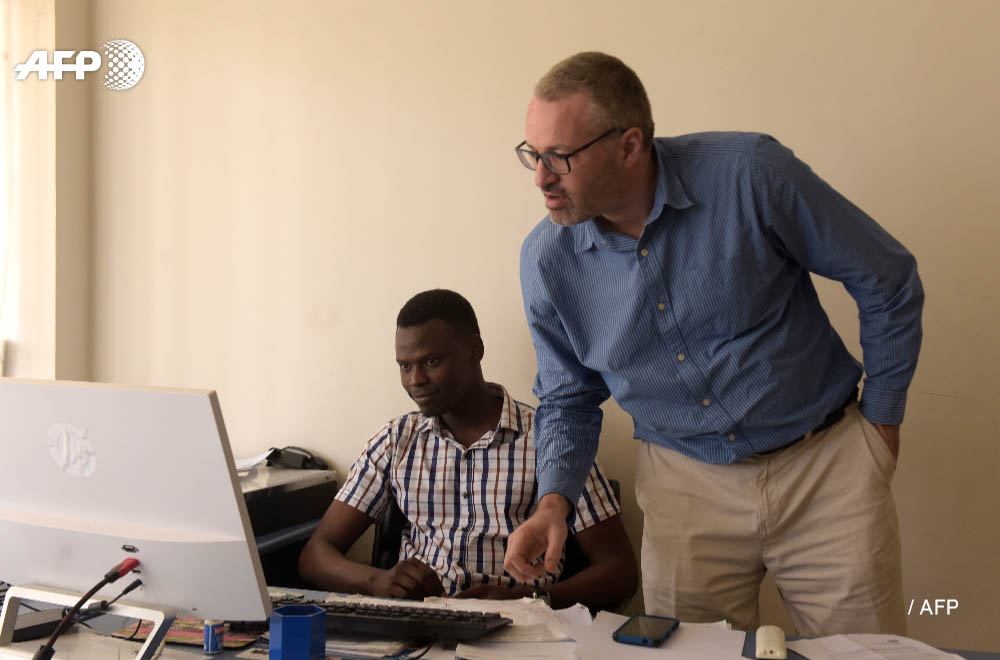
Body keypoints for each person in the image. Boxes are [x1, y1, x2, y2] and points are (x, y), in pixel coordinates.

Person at [505, 52, 923, 635]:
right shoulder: (546, 261)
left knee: (866, 653)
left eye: (559, 157)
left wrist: (882, 421)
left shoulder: (750, 175)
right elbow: (567, 398)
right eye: (533, 154)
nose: (541, 178)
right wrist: (555, 502)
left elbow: (886, 278)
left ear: (629, 145)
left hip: (825, 470)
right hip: (683, 487)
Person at [299, 289, 638, 611]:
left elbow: (620, 573)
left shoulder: (552, 439)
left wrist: (527, 599)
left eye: (431, 361)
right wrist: (378, 581)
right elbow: (315, 555)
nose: (415, 380)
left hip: (521, 627)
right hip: (419, 624)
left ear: (475, 350)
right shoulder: (396, 440)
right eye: (405, 366)